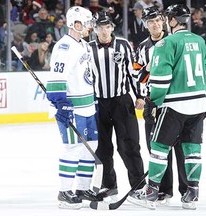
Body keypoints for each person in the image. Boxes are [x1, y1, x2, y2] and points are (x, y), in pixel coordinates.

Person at [130, 4, 206, 210]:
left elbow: (161, 80)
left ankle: (151, 192)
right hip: (197, 105)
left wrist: (154, 103)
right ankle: (192, 193)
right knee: (192, 150)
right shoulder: (199, 41)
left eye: (166, 18)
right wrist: (204, 97)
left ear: (173, 20)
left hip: (174, 106)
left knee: (158, 147)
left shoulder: (166, 43)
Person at [127, 6, 187, 207]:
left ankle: (187, 190)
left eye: (157, 21)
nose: (154, 24)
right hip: (153, 104)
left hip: (175, 102)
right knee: (156, 149)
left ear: (163, 21)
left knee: (179, 147)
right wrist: (149, 68)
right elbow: (137, 75)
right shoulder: (142, 48)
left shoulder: (174, 42)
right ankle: (162, 190)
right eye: (150, 21)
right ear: (145, 24)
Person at [46, 6, 100, 209]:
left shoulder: (84, 45)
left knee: (90, 147)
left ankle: (82, 188)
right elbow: (56, 78)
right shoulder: (64, 47)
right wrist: (61, 103)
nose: (89, 27)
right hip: (73, 108)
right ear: (76, 24)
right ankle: (65, 192)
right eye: (86, 23)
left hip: (88, 107)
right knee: (73, 148)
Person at [88, 11, 146, 202]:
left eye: (107, 27)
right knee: (102, 149)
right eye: (99, 27)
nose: (103, 31)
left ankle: (138, 186)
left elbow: (133, 73)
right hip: (98, 103)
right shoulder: (87, 48)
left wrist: (139, 95)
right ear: (95, 29)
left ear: (112, 27)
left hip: (122, 102)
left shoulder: (123, 45)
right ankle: (108, 185)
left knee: (129, 145)